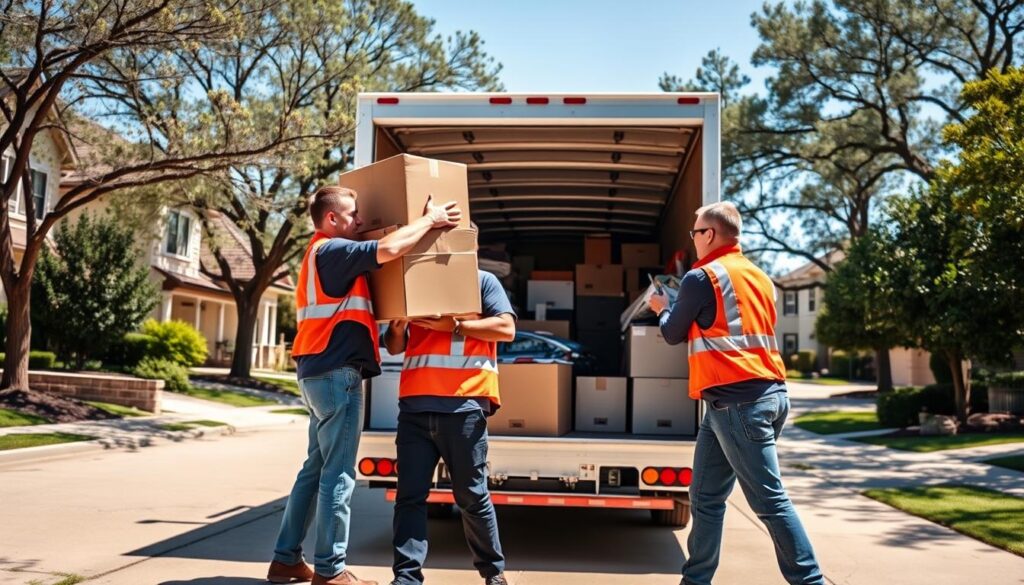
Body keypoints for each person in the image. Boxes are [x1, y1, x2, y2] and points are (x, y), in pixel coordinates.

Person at [268, 186, 462, 585]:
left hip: (316, 371)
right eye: (353, 215)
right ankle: (331, 571)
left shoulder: (317, 256)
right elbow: (389, 249)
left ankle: (286, 560)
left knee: (314, 470)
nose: (360, 222)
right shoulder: (332, 251)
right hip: (338, 374)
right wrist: (430, 219)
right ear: (332, 220)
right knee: (338, 475)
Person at [647, 201, 825, 585]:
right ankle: (695, 581)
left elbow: (673, 332)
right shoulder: (761, 277)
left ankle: (811, 582)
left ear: (709, 234)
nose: (693, 239)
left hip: (739, 404)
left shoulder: (702, 277)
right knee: (705, 497)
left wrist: (663, 307)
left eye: (695, 232)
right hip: (754, 399)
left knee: (769, 502)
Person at [382, 266, 516, 585]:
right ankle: (406, 578)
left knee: (471, 495)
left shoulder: (483, 282)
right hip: (415, 406)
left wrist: (455, 325)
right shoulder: (416, 281)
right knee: (410, 497)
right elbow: (394, 345)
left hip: (464, 405)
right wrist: (398, 327)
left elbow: (507, 329)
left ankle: (493, 574)